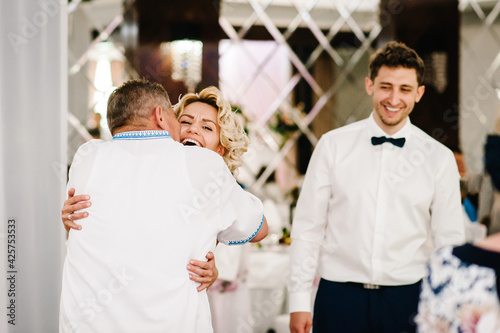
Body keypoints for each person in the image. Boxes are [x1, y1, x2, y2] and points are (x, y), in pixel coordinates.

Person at [59, 79, 268, 332]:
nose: (192, 131)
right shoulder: (199, 167)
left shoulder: (87, 157)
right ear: (162, 117)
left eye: (206, 127)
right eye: (185, 121)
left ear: (221, 148)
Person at [287, 41, 465, 333]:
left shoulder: (439, 158)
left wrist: (449, 305)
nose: (394, 98)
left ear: (419, 93)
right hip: (339, 296)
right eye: (386, 86)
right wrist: (299, 299)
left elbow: (449, 241)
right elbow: (308, 227)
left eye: (405, 89)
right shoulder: (332, 146)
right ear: (370, 85)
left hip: (409, 298)